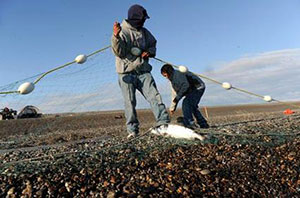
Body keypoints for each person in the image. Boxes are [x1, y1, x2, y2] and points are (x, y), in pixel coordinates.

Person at [111, 4, 170, 138]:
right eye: (142, 19)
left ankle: (163, 124)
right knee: (129, 102)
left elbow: (152, 44)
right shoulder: (122, 31)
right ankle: (132, 131)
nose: (144, 21)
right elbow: (118, 52)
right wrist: (115, 36)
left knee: (154, 96)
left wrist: (149, 52)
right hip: (126, 73)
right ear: (135, 18)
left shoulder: (145, 32)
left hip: (143, 71)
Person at [161, 64, 209, 129]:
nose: (166, 77)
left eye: (165, 75)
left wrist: (178, 98)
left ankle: (190, 122)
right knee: (192, 106)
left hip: (198, 87)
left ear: (169, 72)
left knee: (186, 103)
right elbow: (174, 94)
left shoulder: (178, 75)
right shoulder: (172, 80)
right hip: (192, 90)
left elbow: (185, 85)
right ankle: (203, 124)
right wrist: (172, 108)